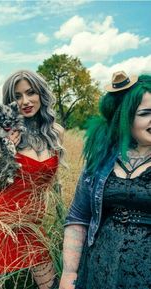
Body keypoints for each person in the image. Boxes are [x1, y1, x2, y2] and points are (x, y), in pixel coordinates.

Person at [59, 71, 151, 289]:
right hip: (100, 270)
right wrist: (69, 274)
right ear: (125, 118)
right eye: (146, 113)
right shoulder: (101, 161)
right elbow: (79, 218)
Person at [0, 70, 64, 289]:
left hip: (32, 228)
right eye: (17, 96)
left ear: (40, 94)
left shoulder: (55, 133)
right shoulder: (5, 134)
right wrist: (7, 149)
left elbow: (54, 185)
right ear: (10, 102)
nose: (25, 101)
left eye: (30, 92)